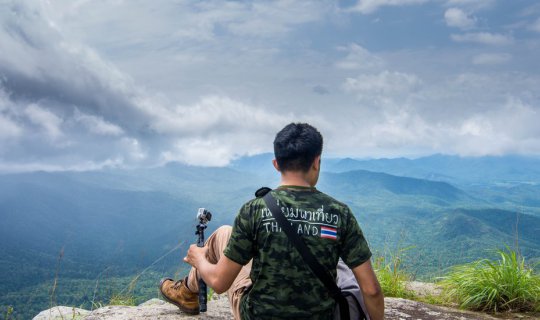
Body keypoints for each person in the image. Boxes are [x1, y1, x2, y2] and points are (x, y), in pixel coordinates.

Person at [160, 123, 384, 320]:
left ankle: (187, 292)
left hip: (258, 315)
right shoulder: (339, 213)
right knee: (337, 259)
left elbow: (219, 283)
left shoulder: (253, 210)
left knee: (222, 234)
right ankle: (188, 291)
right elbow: (371, 290)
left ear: (276, 164)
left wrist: (199, 259)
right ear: (317, 162)